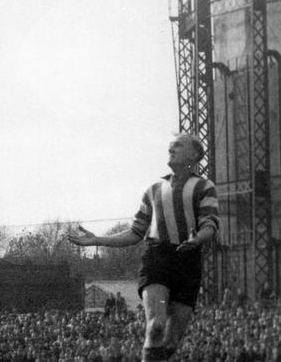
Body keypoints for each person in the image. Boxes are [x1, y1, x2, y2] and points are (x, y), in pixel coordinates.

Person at [68, 133, 220, 362]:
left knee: (171, 341)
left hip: (188, 261)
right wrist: (98, 240)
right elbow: (135, 232)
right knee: (156, 326)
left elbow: (210, 224)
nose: (171, 149)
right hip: (158, 258)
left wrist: (198, 239)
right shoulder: (153, 190)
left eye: (178, 145)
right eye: (170, 146)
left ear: (194, 154)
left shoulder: (204, 186)